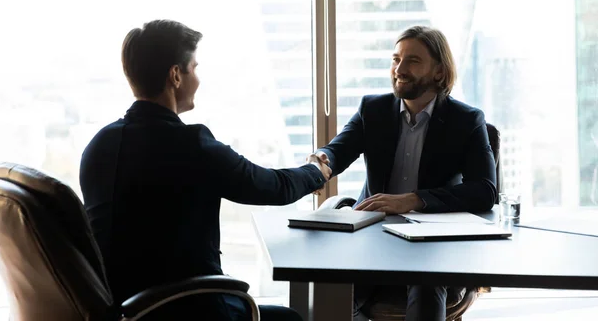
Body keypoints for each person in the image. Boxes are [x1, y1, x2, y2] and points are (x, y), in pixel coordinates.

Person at [80, 19, 331, 320]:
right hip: (190, 308)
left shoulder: (98, 146)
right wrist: (316, 171)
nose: (197, 79)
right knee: (289, 318)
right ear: (175, 75)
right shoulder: (191, 145)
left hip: (126, 309)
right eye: (195, 68)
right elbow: (272, 186)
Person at [311, 26, 497, 321]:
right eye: (395, 59)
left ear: (438, 72)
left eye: (412, 61)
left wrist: (413, 200)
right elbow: (338, 151)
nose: (399, 69)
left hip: (433, 242)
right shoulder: (373, 109)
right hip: (373, 235)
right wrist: (322, 159)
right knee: (329, 284)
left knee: (426, 284)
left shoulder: (467, 120)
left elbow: (485, 191)